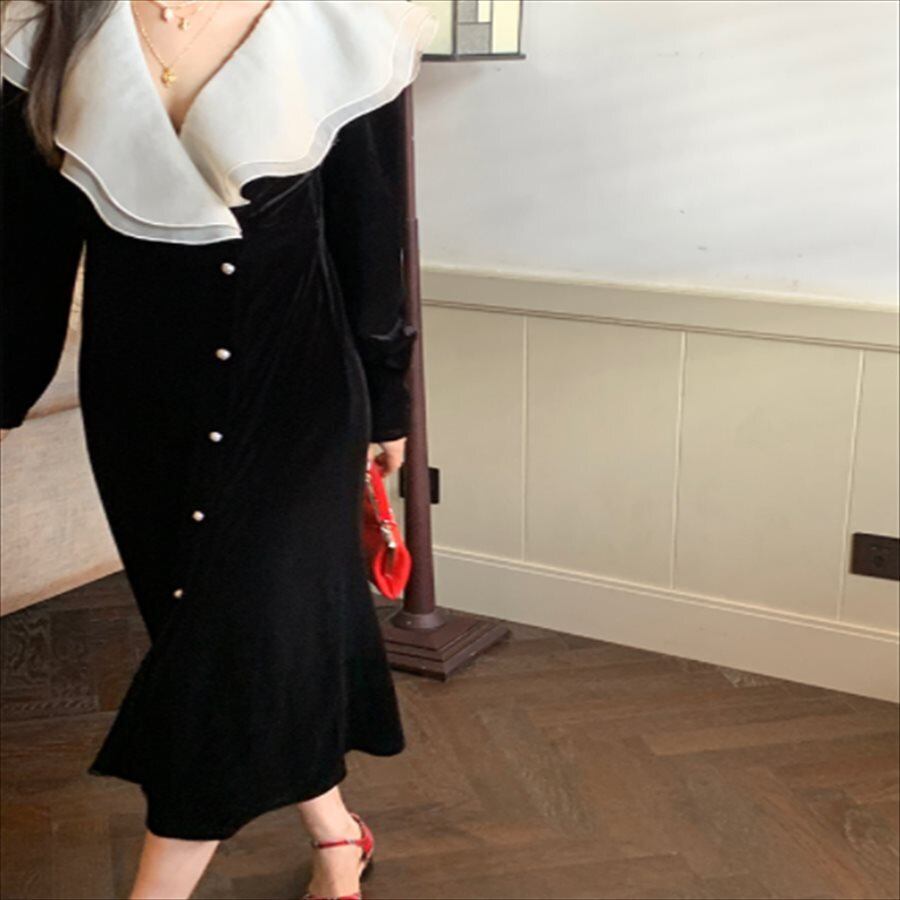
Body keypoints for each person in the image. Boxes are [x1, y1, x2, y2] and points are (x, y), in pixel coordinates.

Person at [0, 0, 439, 897]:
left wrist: (387, 401)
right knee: (222, 640)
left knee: (231, 641)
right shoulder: (41, 29)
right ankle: (336, 833)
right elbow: (26, 250)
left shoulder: (341, 23)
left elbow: (368, 229)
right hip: (140, 405)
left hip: (298, 393)